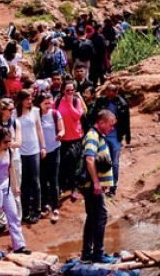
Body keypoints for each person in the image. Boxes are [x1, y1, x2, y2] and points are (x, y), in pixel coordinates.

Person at [80, 109, 118, 264]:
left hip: (95, 185)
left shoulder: (98, 135)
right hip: (91, 186)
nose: (112, 128)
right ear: (101, 122)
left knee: (93, 217)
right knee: (101, 216)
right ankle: (97, 253)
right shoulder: (92, 136)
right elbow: (89, 159)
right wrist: (96, 182)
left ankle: (87, 253)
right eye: (110, 124)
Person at [89, 84, 130, 196]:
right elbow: (94, 115)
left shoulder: (122, 104)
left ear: (116, 92)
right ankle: (101, 184)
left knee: (115, 162)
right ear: (106, 91)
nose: (111, 93)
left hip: (116, 135)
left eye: (113, 91)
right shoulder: (101, 101)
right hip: (102, 135)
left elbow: (126, 120)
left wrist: (127, 136)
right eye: (109, 90)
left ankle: (113, 186)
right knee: (101, 159)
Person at [0, 97, 22, 229]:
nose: (13, 111)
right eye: (10, 109)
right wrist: (9, 144)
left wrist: (2, 144)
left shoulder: (15, 123)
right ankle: (1, 222)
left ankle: (16, 220)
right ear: (2, 110)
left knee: (16, 190)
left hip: (13, 159)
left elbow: (19, 143)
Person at [15, 90, 45, 224]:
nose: (29, 101)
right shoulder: (15, 114)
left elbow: (39, 129)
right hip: (20, 151)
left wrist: (43, 146)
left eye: (30, 99)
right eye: (27, 99)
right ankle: (25, 211)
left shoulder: (35, 111)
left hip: (34, 150)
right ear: (21, 100)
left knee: (35, 181)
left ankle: (36, 210)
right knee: (24, 183)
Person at [56, 82, 86, 202]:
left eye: (72, 90)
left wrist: (69, 104)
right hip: (62, 138)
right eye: (67, 90)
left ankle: (75, 188)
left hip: (75, 138)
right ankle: (63, 186)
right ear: (63, 90)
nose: (70, 92)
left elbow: (78, 116)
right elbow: (53, 114)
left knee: (74, 164)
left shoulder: (76, 101)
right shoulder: (57, 101)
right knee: (62, 164)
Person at [38, 93, 64, 223]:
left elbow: (62, 129)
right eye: (45, 103)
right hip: (40, 152)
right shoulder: (36, 115)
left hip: (54, 149)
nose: (48, 106)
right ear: (40, 104)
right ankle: (45, 205)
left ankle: (55, 207)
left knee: (53, 180)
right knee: (42, 179)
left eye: (50, 103)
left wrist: (60, 134)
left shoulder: (55, 114)